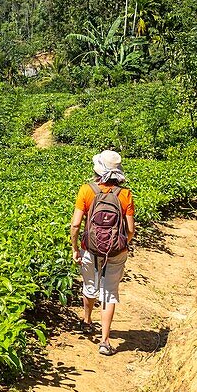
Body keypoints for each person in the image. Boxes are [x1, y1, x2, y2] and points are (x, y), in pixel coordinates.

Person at [68, 150, 135, 356]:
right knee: (109, 293)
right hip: (116, 251)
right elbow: (131, 229)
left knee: (90, 287)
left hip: (91, 248)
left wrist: (75, 247)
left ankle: (87, 320)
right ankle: (105, 342)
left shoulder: (87, 190)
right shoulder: (125, 194)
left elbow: (75, 224)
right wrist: (120, 243)